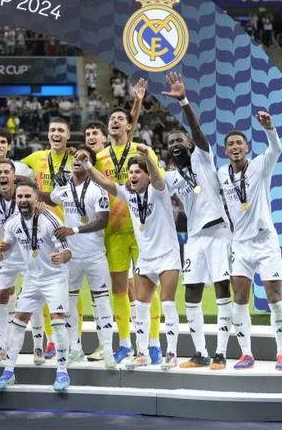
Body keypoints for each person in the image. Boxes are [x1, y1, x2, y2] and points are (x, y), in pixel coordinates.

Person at [84, 144, 180, 370]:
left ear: (147, 174)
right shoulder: (128, 193)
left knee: (167, 304)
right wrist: (87, 164)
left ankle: (172, 354)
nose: (133, 176)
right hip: (146, 259)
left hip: (167, 256)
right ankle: (143, 353)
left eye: (138, 171)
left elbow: (157, 179)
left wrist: (149, 158)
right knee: (141, 307)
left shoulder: (159, 190)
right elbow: (103, 182)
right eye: (131, 172)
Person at [160, 73, 233, 369]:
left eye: (180, 139)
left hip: (218, 232)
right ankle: (200, 352)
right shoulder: (172, 177)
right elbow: (151, 177)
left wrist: (184, 101)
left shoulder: (204, 158)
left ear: (189, 143)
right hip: (194, 239)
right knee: (191, 293)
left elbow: (197, 129)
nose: (175, 143)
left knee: (221, 289)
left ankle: (221, 353)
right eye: (171, 141)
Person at [95, 85, 166, 365]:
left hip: (142, 228)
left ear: (129, 125)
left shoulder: (142, 151)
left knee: (147, 286)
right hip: (113, 230)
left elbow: (157, 181)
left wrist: (137, 102)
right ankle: (124, 342)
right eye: (111, 119)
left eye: (120, 118)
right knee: (120, 289)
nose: (114, 121)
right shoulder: (98, 158)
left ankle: (153, 343)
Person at [0, 182, 73, 392]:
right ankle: (9, 372)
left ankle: (62, 371)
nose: (22, 200)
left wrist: (61, 257)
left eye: (27, 196)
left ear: (36, 199)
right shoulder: (12, 224)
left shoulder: (51, 219)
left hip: (54, 277)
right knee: (18, 321)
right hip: (31, 279)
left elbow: (68, 251)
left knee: (57, 320)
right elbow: (5, 252)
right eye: (19, 197)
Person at [217, 110, 282, 370]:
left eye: (239, 143)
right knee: (239, 297)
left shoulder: (260, 165)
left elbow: (276, 149)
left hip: (266, 242)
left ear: (246, 147)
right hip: (241, 245)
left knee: (274, 296)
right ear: (226, 151)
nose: (235, 147)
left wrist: (269, 128)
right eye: (230, 144)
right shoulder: (221, 174)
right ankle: (246, 353)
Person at [51, 146, 116, 368]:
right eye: (75, 156)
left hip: (95, 256)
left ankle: (107, 349)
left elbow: (103, 221)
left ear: (90, 163)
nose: (77, 159)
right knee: (68, 303)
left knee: (102, 301)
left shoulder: (98, 189)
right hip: (71, 256)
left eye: (83, 157)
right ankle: (75, 349)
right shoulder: (64, 188)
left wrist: (75, 230)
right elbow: (49, 198)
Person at [20, 117, 76, 360]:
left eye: (60, 130)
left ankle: (74, 342)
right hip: (40, 230)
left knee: (70, 290)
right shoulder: (35, 158)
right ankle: (52, 342)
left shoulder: (76, 158)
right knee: (43, 290)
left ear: (68, 135)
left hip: (68, 229)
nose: (56, 133)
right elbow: (13, 172)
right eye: (52, 130)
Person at [0, 161, 44, 366]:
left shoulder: (26, 197)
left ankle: (38, 347)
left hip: (29, 256)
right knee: (0, 296)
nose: (2, 175)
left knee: (32, 299)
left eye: (6, 171)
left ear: (14, 176)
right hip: (6, 258)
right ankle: (0, 346)